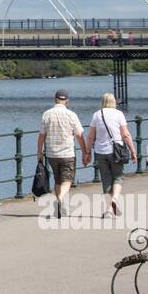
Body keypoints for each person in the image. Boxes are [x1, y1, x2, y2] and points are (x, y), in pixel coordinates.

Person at [83, 93, 136, 217]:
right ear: (114, 102)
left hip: (100, 151)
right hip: (116, 151)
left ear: (102, 101)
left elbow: (91, 136)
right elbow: (126, 135)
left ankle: (109, 210)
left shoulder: (96, 115)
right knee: (118, 176)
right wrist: (133, 150)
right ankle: (114, 200)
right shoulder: (119, 114)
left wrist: (87, 152)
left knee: (106, 179)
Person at [38, 89, 87, 219]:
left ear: (55, 99)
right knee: (68, 179)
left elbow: (41, 135)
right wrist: (85, 151)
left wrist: (39, 152)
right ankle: (59, 198)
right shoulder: (71, 115)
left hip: (51, 153)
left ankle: (59, 207)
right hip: (67, 153)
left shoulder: (46, 114)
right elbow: (79, 135)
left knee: (58, 179)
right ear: (67, 101)